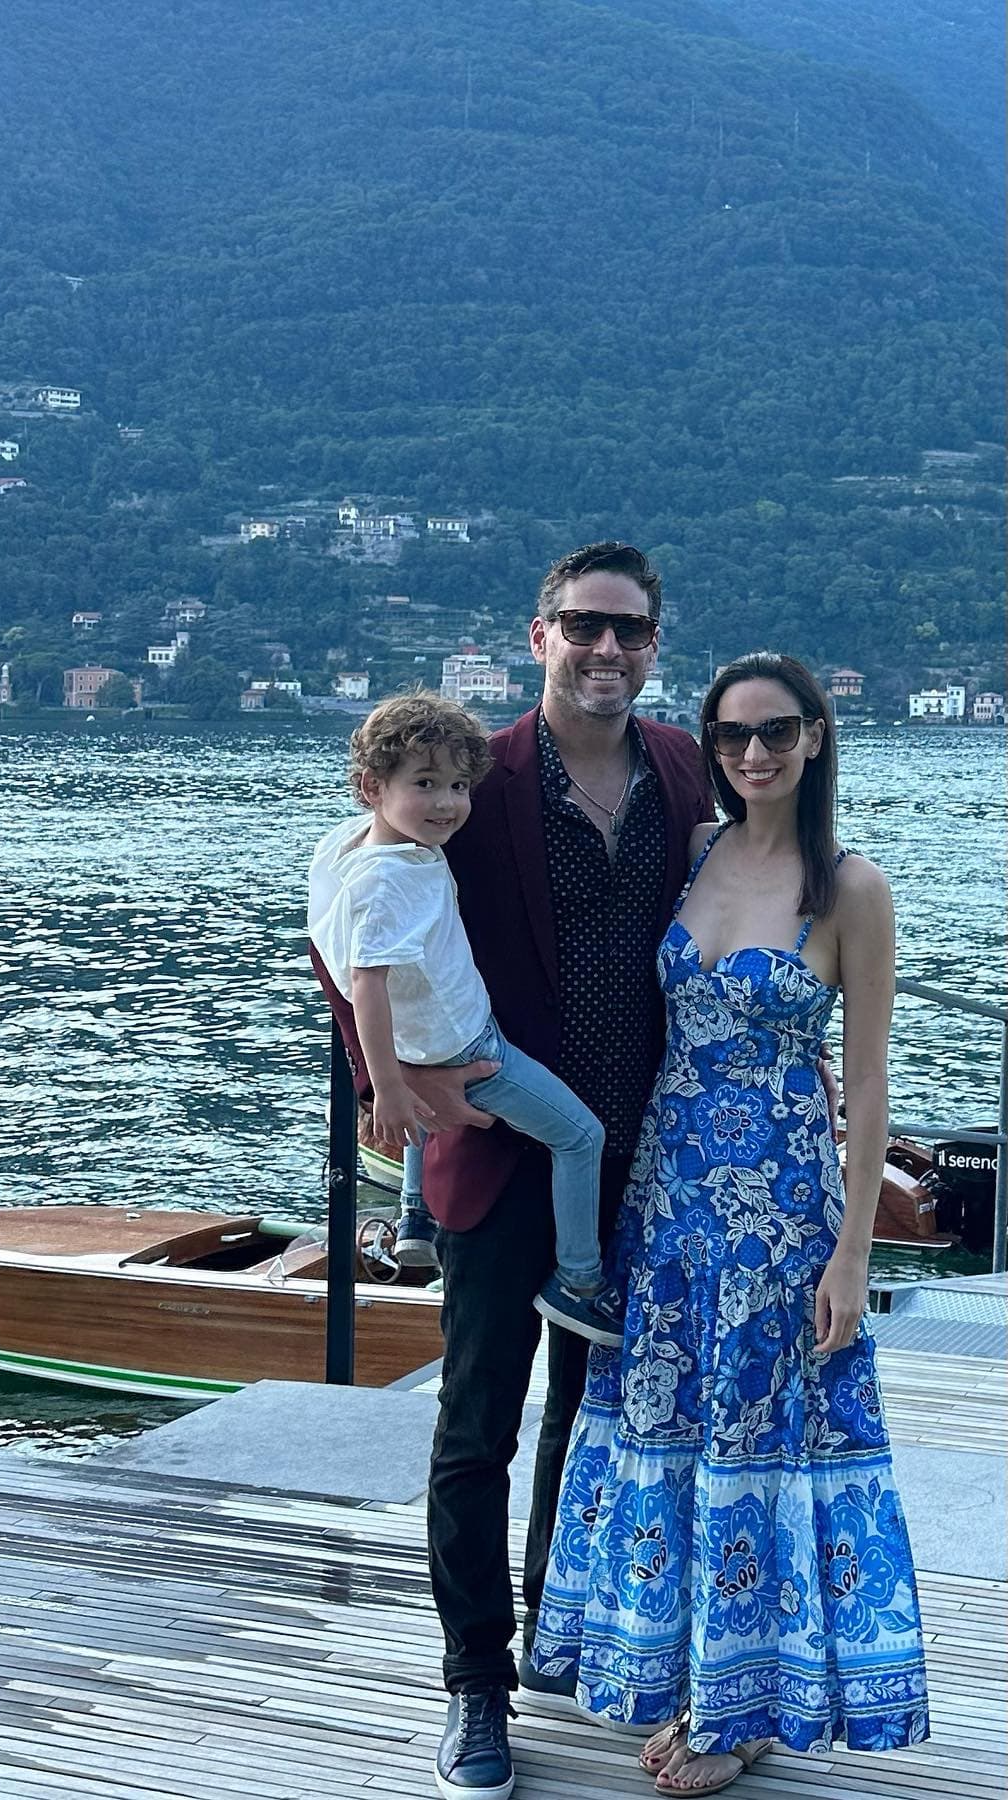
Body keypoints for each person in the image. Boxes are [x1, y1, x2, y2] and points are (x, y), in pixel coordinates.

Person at [309, 542, 716, 1800]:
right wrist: (386, 1083)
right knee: (476, 1419)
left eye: (630, 631)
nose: (608, 649)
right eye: (584, 625)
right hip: (494, 1149)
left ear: (654, 645)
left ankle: (557, 1631)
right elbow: (342, 912)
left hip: (636, 1156)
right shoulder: (465, 775)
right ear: (538, 635)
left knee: (593, 1417)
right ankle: (475, 1684)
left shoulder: (680, 765)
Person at [530, 653, 930, 1793]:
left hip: (782, 1211)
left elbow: (866, 1089)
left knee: (756, 1444)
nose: (754, 753)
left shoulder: (847, 887)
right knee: (673, 1433)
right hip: (669, 1204)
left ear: (815, 739)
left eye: (776, 732)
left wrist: (854, 1254)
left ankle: (741, 1710)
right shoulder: (694, 850)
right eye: (731, 735)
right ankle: (678, 1674)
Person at [307, 690, 621, 1344]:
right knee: (580, 1137)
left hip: (435, 1036)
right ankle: (580, 1280)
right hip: (470, 1052)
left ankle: (416, 1217)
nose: (448, 804)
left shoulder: (353, 846)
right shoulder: (389, 882)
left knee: (433, 1117)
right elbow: (367, 983)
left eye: (457, 784)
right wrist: (387, 1087)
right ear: (372, 786)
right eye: (424, 784)